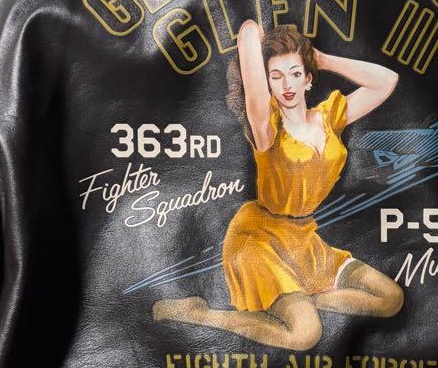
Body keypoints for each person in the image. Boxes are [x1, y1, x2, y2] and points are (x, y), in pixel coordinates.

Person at [152, 19, 404, 350]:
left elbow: (386, 81)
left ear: (308, 79)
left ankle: (307, 300)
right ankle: (201, 314)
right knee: (305, 335)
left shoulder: (329, 118)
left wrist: (321, 59)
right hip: (259, 241)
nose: (287, 84)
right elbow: (248, 40)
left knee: (390, 298)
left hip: (304, 241)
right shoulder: (267, 126)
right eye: (276, 76)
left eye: (295, 74)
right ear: (267, 81)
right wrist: (255, 33)